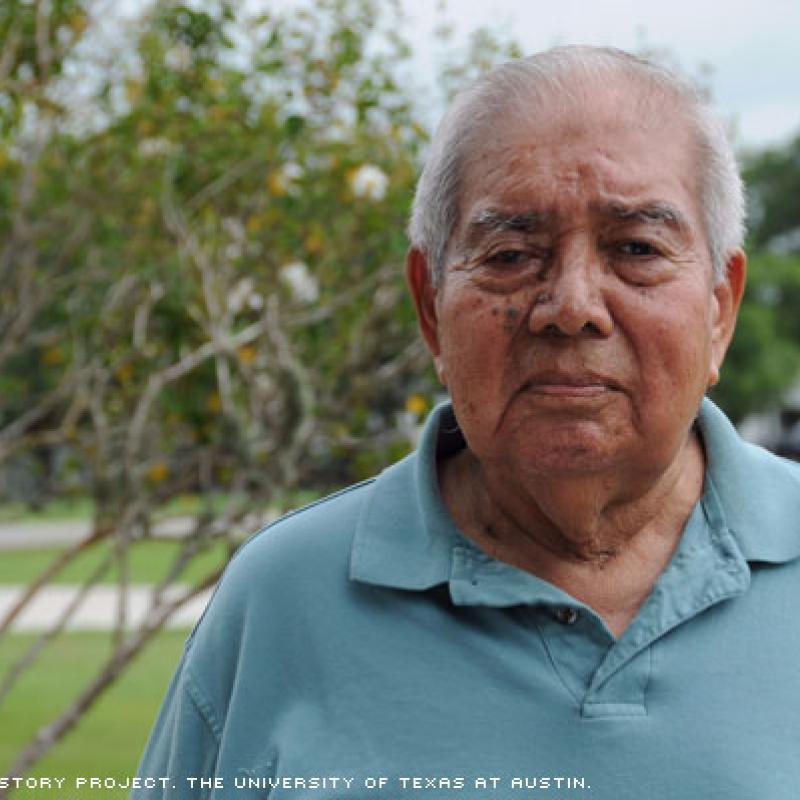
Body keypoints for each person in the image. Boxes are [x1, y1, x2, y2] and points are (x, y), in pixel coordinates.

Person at [133, 46, 800, 799]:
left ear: (720, 307)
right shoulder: (282, 601)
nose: (572, 306)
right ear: (429, 308)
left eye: (637, 249)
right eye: (512, 253)